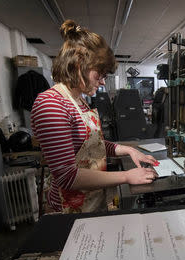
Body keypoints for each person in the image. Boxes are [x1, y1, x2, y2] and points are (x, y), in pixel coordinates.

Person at [31, 20, 158, 213]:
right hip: (69, 210)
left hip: (92, 200)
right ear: (79, 64)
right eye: (99, 75)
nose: (102, 83)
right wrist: (127, 176)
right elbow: (67, 176)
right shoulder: (51, 104)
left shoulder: (79, 101)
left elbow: (93, 147)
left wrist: (129, 150)